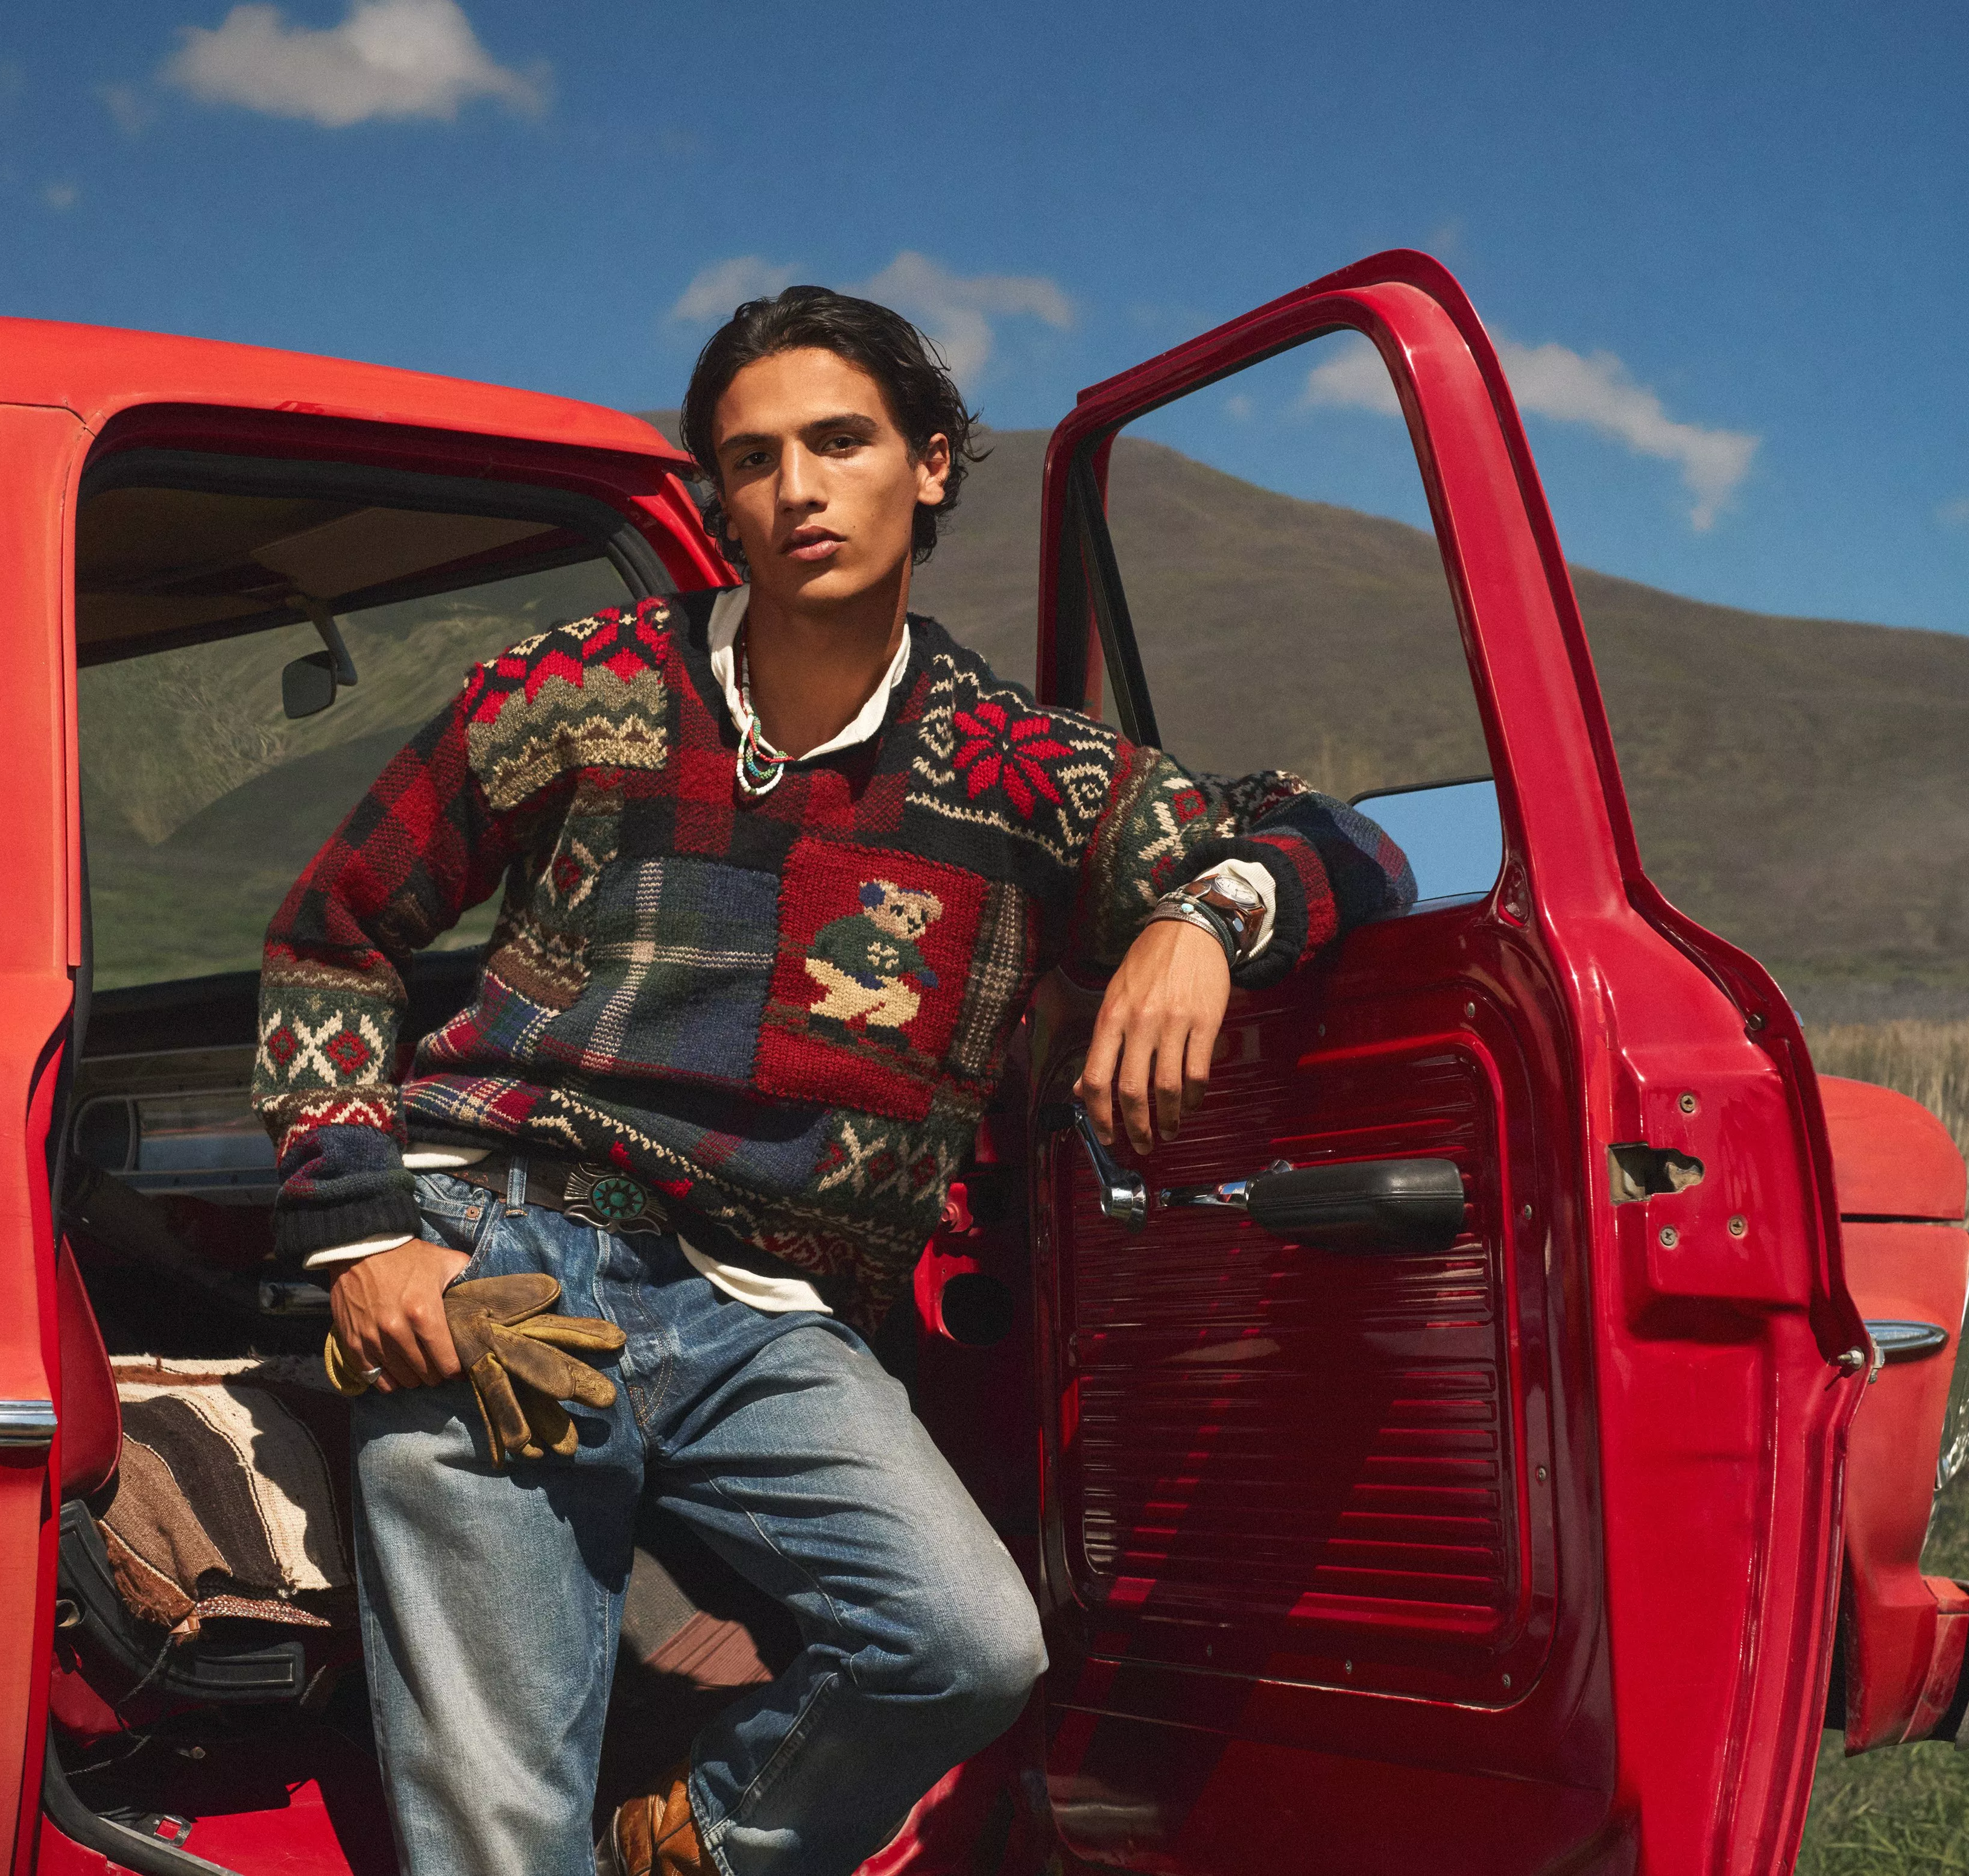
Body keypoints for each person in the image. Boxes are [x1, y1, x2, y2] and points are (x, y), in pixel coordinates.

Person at [256, 286, 1413, 1876]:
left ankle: (701, 1849)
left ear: (931, 464)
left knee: (965, 1641)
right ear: (719, 499)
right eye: (750, 459)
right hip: (497, 1261)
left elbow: (1340, 836)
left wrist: (1208, 925)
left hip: (768, 1311)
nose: (797, 487)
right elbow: (334, 933)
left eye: (840, 441)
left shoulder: (1029, 774)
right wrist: (363, 1231)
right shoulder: (574, 690)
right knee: (502, 1832)